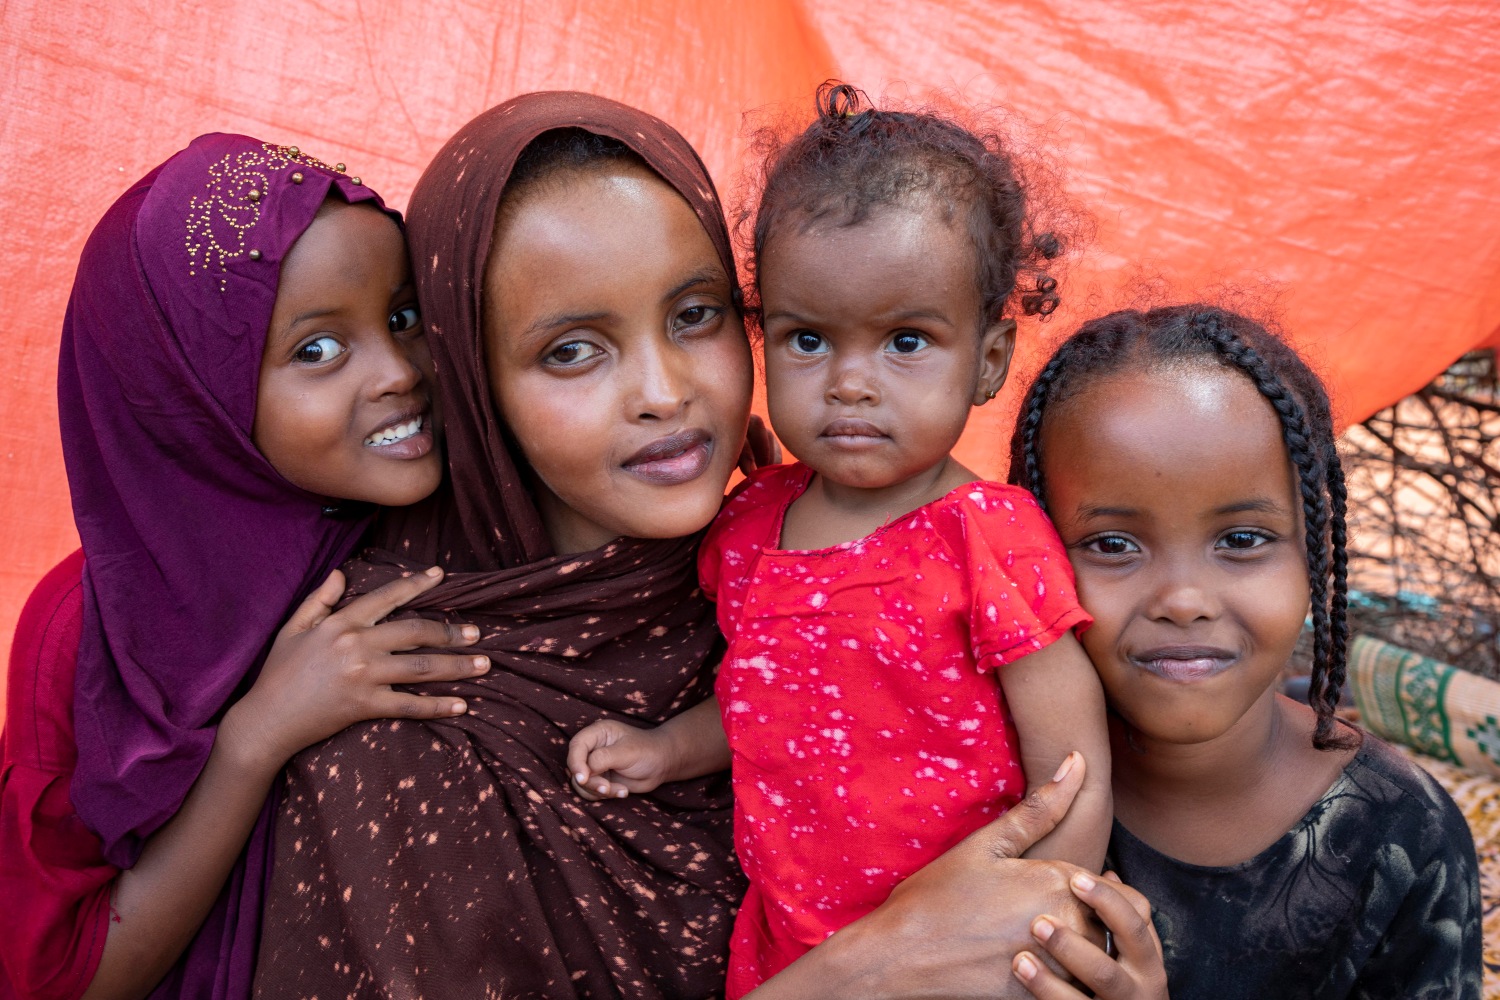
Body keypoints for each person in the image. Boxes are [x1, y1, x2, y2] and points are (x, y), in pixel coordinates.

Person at [566, 82, 1113, 996]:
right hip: (795, 950)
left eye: (905, 341)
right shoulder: (748, 527)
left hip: (972, 955)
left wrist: (1038, 930)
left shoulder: (989, 536)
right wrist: (663, 751)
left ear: (987, 360)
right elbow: (764, 702)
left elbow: (1074, 769)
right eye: (808, 339)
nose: (849, 383)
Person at [0, 133, 487, 1000]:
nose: (398, 373)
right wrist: (255, 738)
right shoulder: (84, 629)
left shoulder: (468, 527)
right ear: (192, 399)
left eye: (405, 317)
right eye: (316, 349)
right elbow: (65, 980)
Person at [1003, 305, 1482, 999]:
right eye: (1112, 544)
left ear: (1314, 555)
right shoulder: (977, 793)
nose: (1184, 598)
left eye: (1243, 539)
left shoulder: (1400, 837)